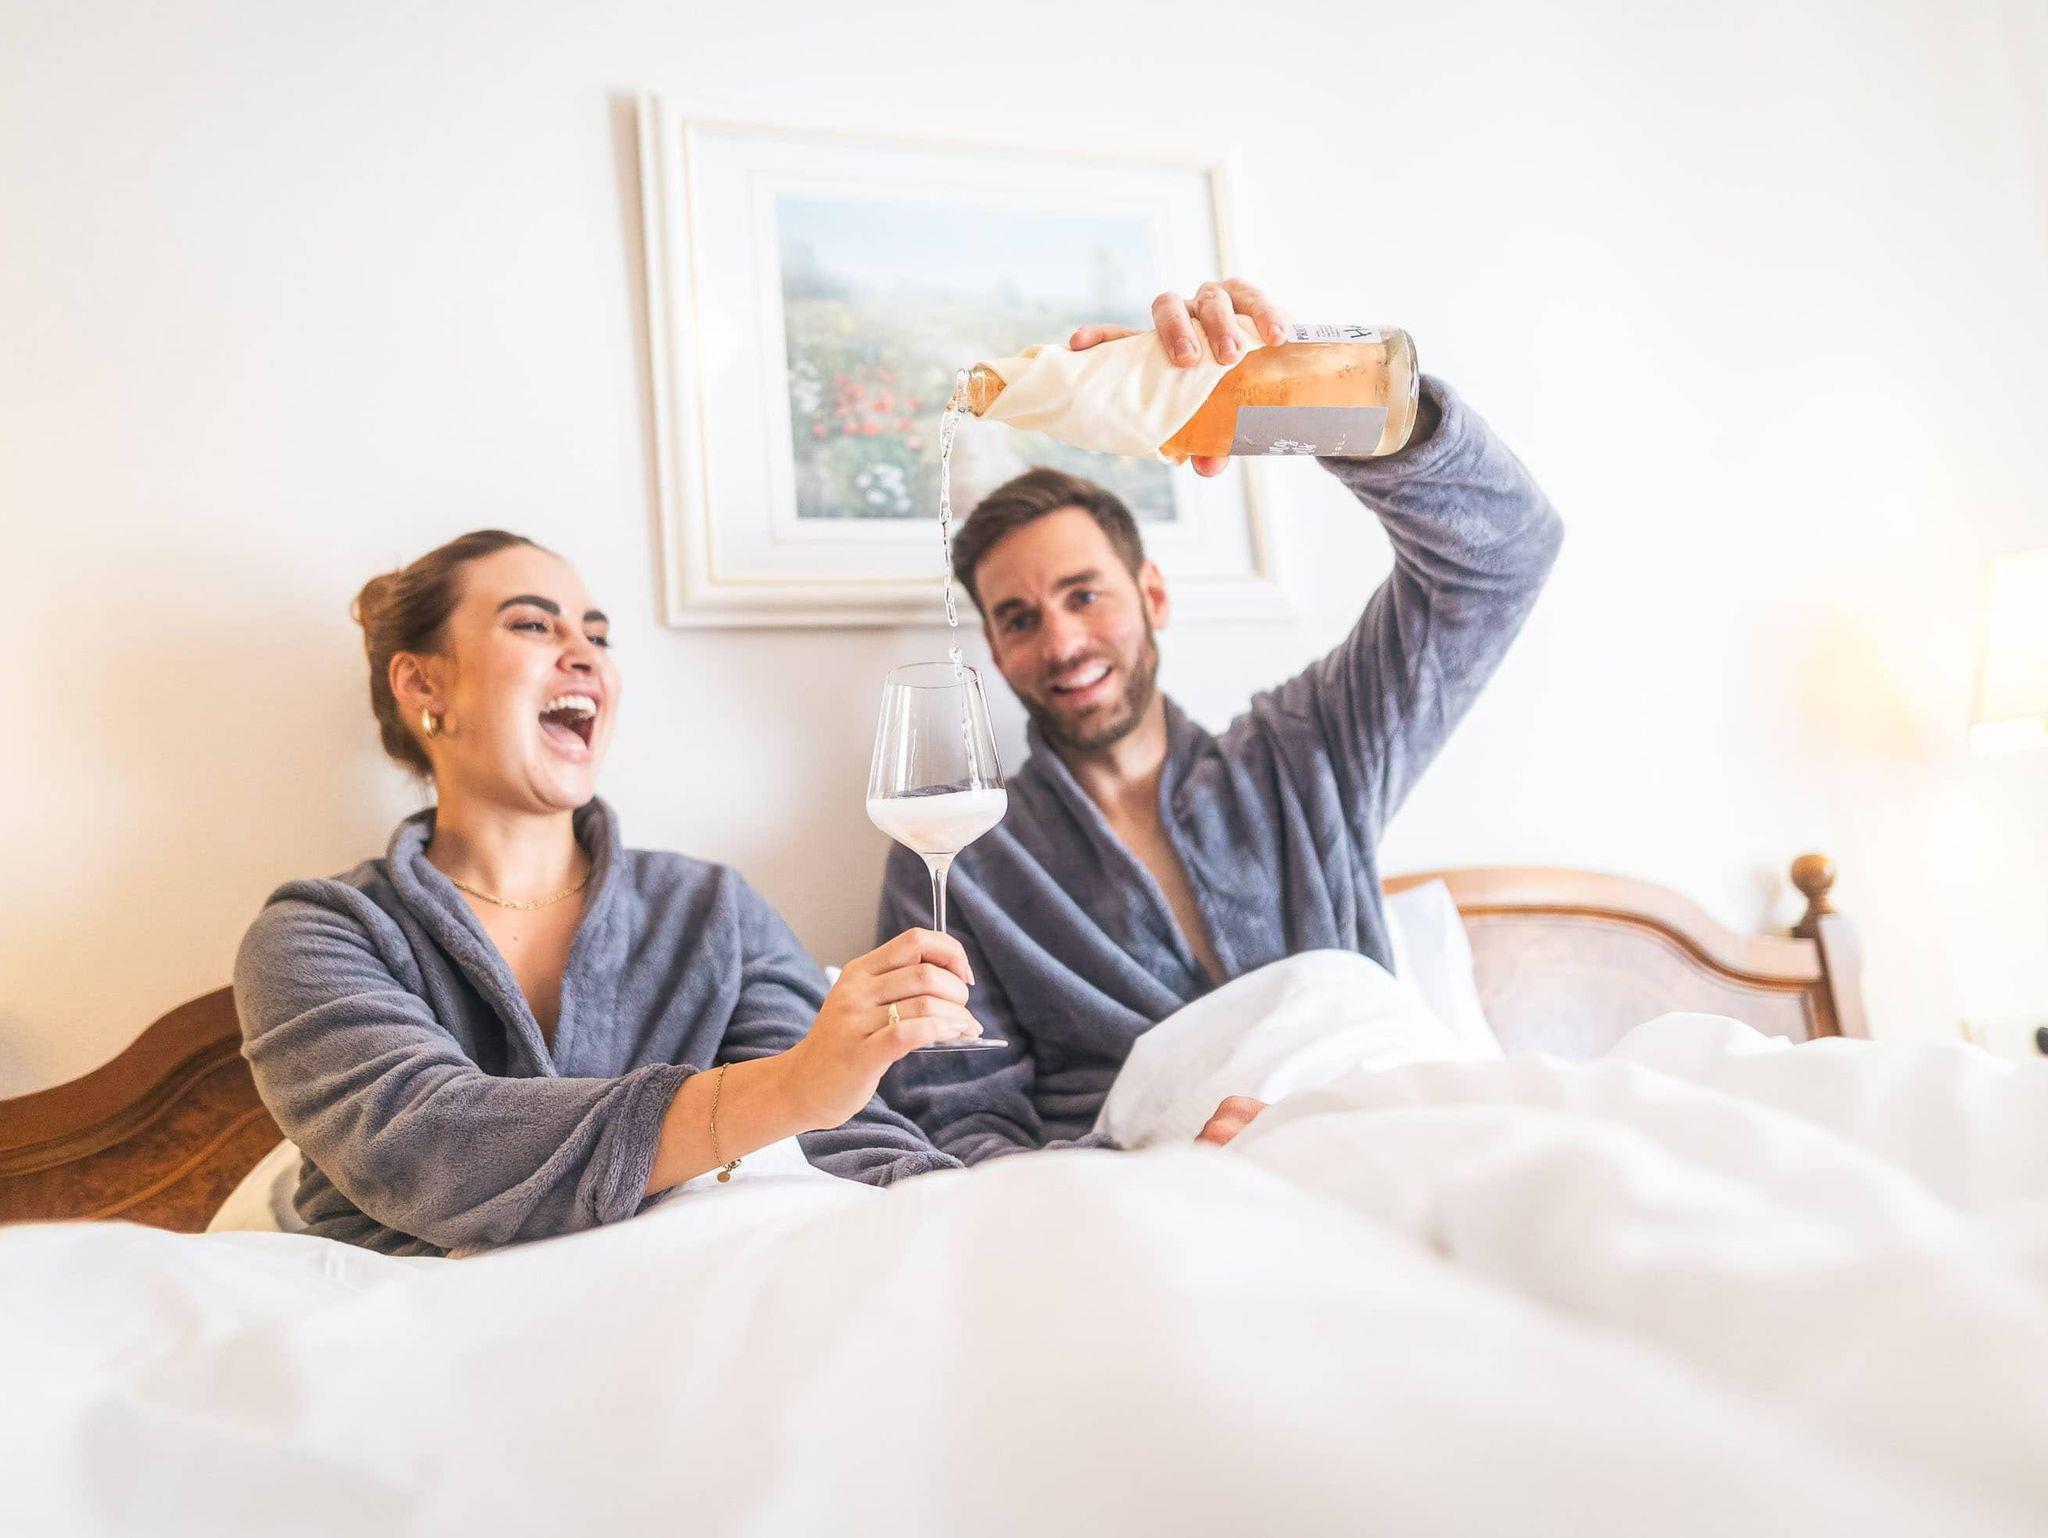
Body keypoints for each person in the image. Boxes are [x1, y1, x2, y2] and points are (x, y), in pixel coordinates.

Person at [879, 278, 1564, 1162]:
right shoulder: (963, 864)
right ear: (996, 651)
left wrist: (1289, 389)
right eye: (1019, 619)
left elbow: (1504, 555)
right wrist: (1170, 1167)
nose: (1062, 642)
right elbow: (963, 1127)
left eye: (1085, 595)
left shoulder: (1308, 751)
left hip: (1401, 1134)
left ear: (1153, 595)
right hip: (1165, 1201)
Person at [236, 531, 981, 1255]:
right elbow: (429, 1146)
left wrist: (975, 1220)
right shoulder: (318, 933)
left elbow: (844, 1135)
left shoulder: (710, 908)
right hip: (412, 1314)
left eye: (597, 636)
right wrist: (793, 1086)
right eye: (533, 625)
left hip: (671, 1306)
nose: (585, 653)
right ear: (422, 683)